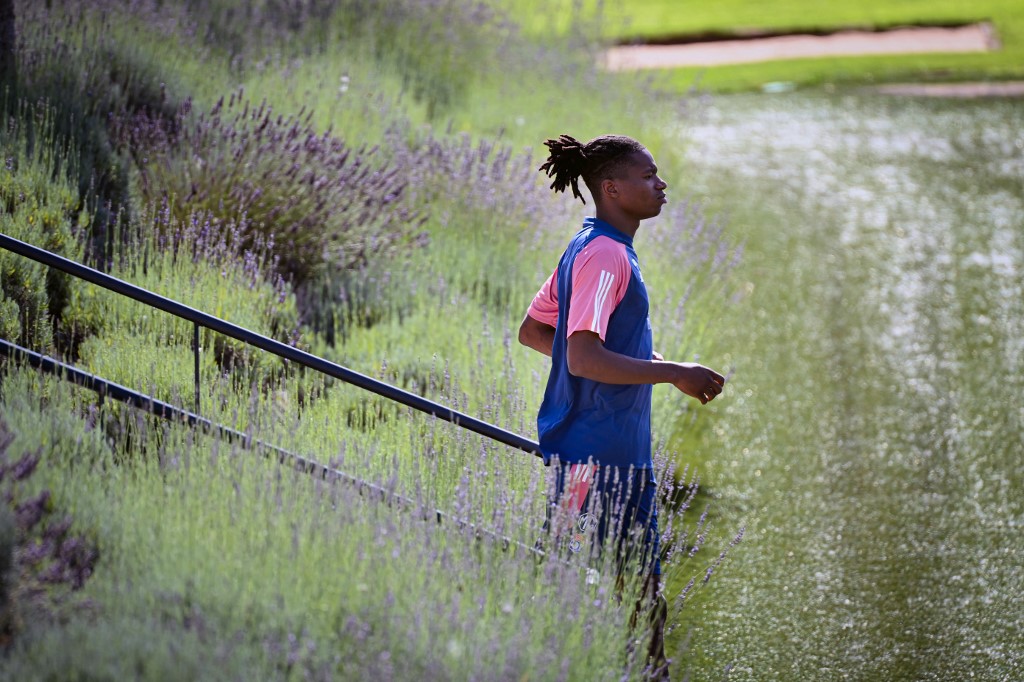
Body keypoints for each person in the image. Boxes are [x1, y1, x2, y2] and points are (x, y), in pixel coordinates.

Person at [519, 133, 725, 679]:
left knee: (616, 587)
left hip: (597, 451)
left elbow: (541, 330)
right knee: (639, 597)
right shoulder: (606, 255)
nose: (661, 184)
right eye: (647, 176)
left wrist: (637, 357)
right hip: (603, 456)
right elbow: (582, 356)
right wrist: (674, 373)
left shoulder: (591, 244)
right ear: (611, 189)